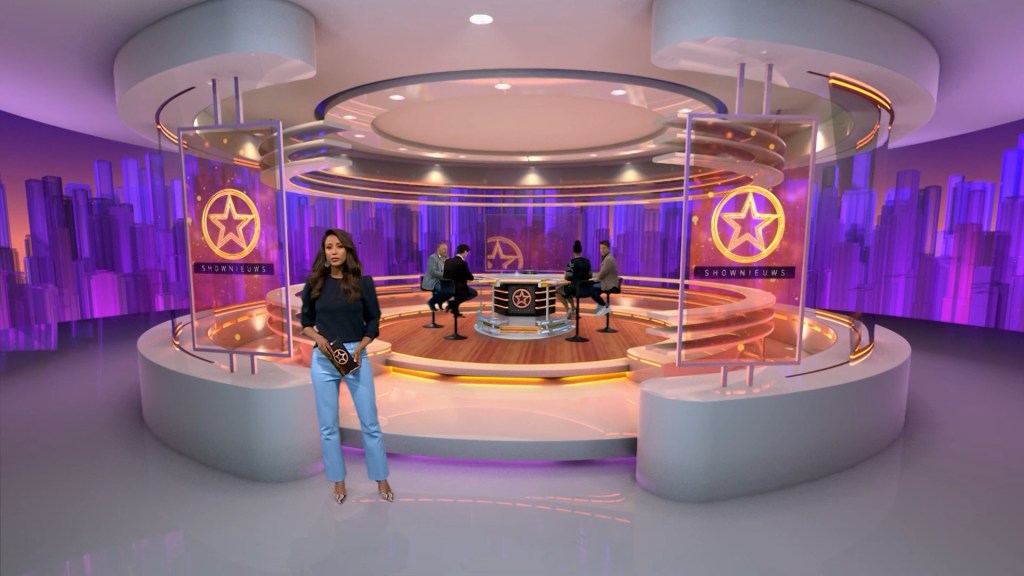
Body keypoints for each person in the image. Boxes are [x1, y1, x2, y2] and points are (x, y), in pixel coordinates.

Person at [300, 229, 394, 505]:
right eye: (329, 246)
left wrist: (362, 346)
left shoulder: (363, 283)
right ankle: (338, 480)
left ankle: (381, 478)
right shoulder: (314, 283)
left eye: (339, 246)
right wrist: (318, 339)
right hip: (323, 358)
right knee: (328, 426)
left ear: (348, 250)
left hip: (355, 356)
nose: (334, 251)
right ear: (324, 251)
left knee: (370, 423)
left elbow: (373, 320)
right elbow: (306, 321)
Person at [556, 240, 592, 318]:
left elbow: (567, 278)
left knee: (558, 291)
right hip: (585, 289)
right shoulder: (587, 262)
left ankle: (568, 310)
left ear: (573, 251)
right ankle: (573, 309)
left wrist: (567, 274)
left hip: (574, 288)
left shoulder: (571, 262)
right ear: (581, 251)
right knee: (567, 290)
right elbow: (590, 276)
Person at [442, 243, 477, 316]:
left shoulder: (447, 261)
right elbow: (470, 277)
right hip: (459, 289)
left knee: (458, 295)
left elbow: (446, 275)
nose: (467, 254)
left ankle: (453, 307)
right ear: (465, 252)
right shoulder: (462, 263)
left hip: (447, 288)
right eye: (467, 252)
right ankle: (453, 305)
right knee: (473, 293)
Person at [591, 239, 619, 316]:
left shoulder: (608, 259)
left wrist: (593, 277)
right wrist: (593, 276)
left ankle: (604, 306)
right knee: (595, 290)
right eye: (600, 248)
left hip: (610, 284)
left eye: (604, 248)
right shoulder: (607, 257)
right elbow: (602, 273)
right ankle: (602, 306)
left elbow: (601, 275)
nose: (601, 250)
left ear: (608, 248)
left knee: (591, 289)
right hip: (607, 282)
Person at [420, 241, 448, 311]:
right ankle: (431, 302)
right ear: (438, 249)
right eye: (443, 249)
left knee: (452, 290)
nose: (445, 250)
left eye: (446, 249)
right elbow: (432, 272)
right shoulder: (432, 258)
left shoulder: (447, 259)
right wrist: (445, 275)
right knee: (443, 290)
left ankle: (440, 302)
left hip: (442, 280)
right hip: (432, 281)